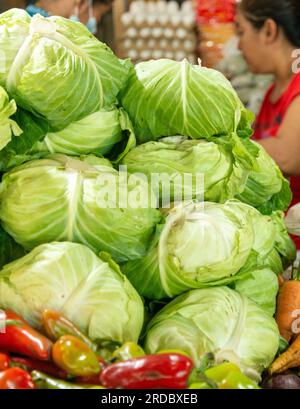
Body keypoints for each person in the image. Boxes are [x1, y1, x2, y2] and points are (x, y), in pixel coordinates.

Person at [236, 0, 300, 250]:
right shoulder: (275, 90)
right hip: (279, 240)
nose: (239, 46)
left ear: (269, 30)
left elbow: (287, 156)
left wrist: (218, 146)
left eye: (241, 32)